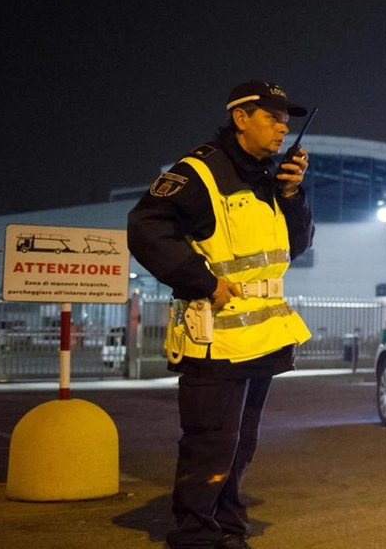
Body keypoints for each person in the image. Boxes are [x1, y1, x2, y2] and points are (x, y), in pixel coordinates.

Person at [128, 81, 316, 549]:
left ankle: (229, 529)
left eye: (286, 120)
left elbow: (296, 246)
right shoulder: (200, 171)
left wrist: (292, 195)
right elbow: (145, 228)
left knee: (241, 442)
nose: (282, 127)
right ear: (240, 118)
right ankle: (194, 536)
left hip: (260, 339)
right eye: (271, 117)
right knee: (209, 441)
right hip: (213, 339)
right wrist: (203, 281)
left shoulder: (266, 177)